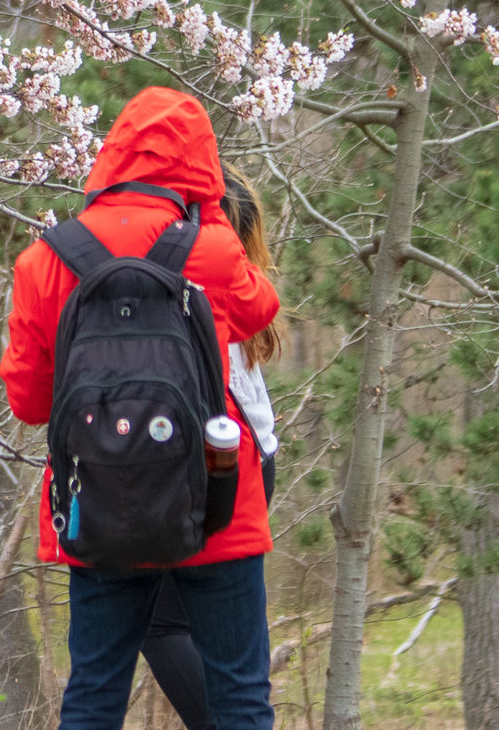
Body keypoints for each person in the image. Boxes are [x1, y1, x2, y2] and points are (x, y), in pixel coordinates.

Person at [0, 87, 282, 730]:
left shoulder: (44, 259)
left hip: (99, 508)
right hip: (215, 504)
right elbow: (259, 308)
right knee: (240, 696)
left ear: (111, 157)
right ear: (201, 164)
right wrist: (207, 213)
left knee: (94, 694)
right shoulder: (210, 248)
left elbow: (30, 402)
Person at [138, 168, 283, 730]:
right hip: (250, 456)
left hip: (222, 462)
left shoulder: (196, 271)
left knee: (162, 623)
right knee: (212, 628)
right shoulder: (236, 276)